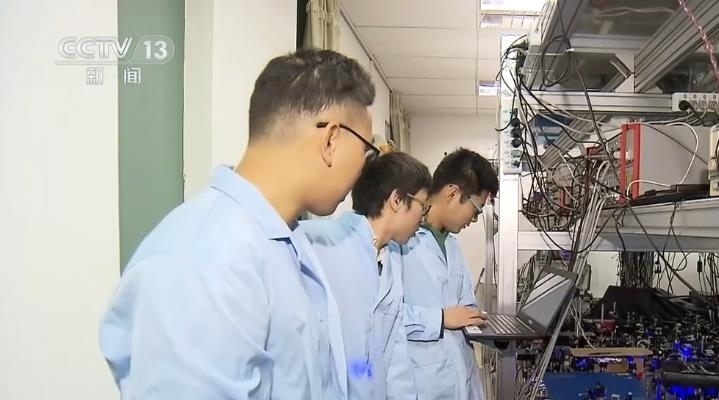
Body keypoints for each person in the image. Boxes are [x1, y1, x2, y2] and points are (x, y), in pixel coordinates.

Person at [98, 48, 378, 399]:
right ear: (331, 139)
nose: (363, 167)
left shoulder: (283, 243)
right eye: (366, 150)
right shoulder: (203, 260)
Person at [297, 151, 431, 400]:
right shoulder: (318, 241)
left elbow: (394, 356)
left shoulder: (389, 261)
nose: (423, 218)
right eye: (422, 206)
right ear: (397, 200)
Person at [391, 148, 500, 400]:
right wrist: (439, 318)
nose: (474, 219)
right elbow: (385, 316)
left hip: (462, 375)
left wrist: (487, 328)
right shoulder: (399, 243)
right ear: (453, 193)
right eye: (476, 210)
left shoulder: (451, 244)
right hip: (425, 384)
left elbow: (464, 307)